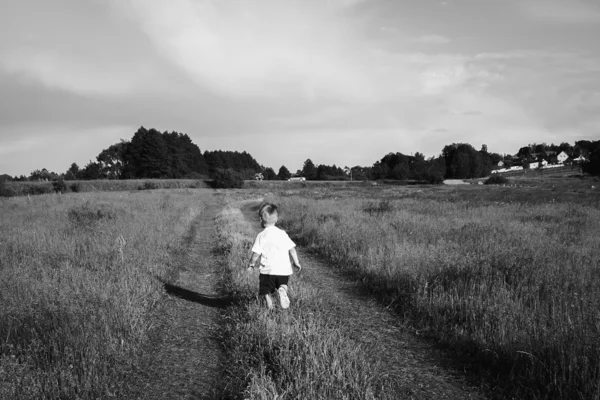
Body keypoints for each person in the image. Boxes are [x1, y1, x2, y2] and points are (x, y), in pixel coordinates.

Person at [247, 202, 301, 309]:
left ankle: (269, 308)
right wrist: (296, 262)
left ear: (261, 220)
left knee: (266, 291)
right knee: (283, 284)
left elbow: (256, 254)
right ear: (276, 219)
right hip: (283, 269)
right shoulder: (283, 233)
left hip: (268, 271)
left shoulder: (262, 235)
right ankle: (282, 290)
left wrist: (251, 265)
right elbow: (292, 249)